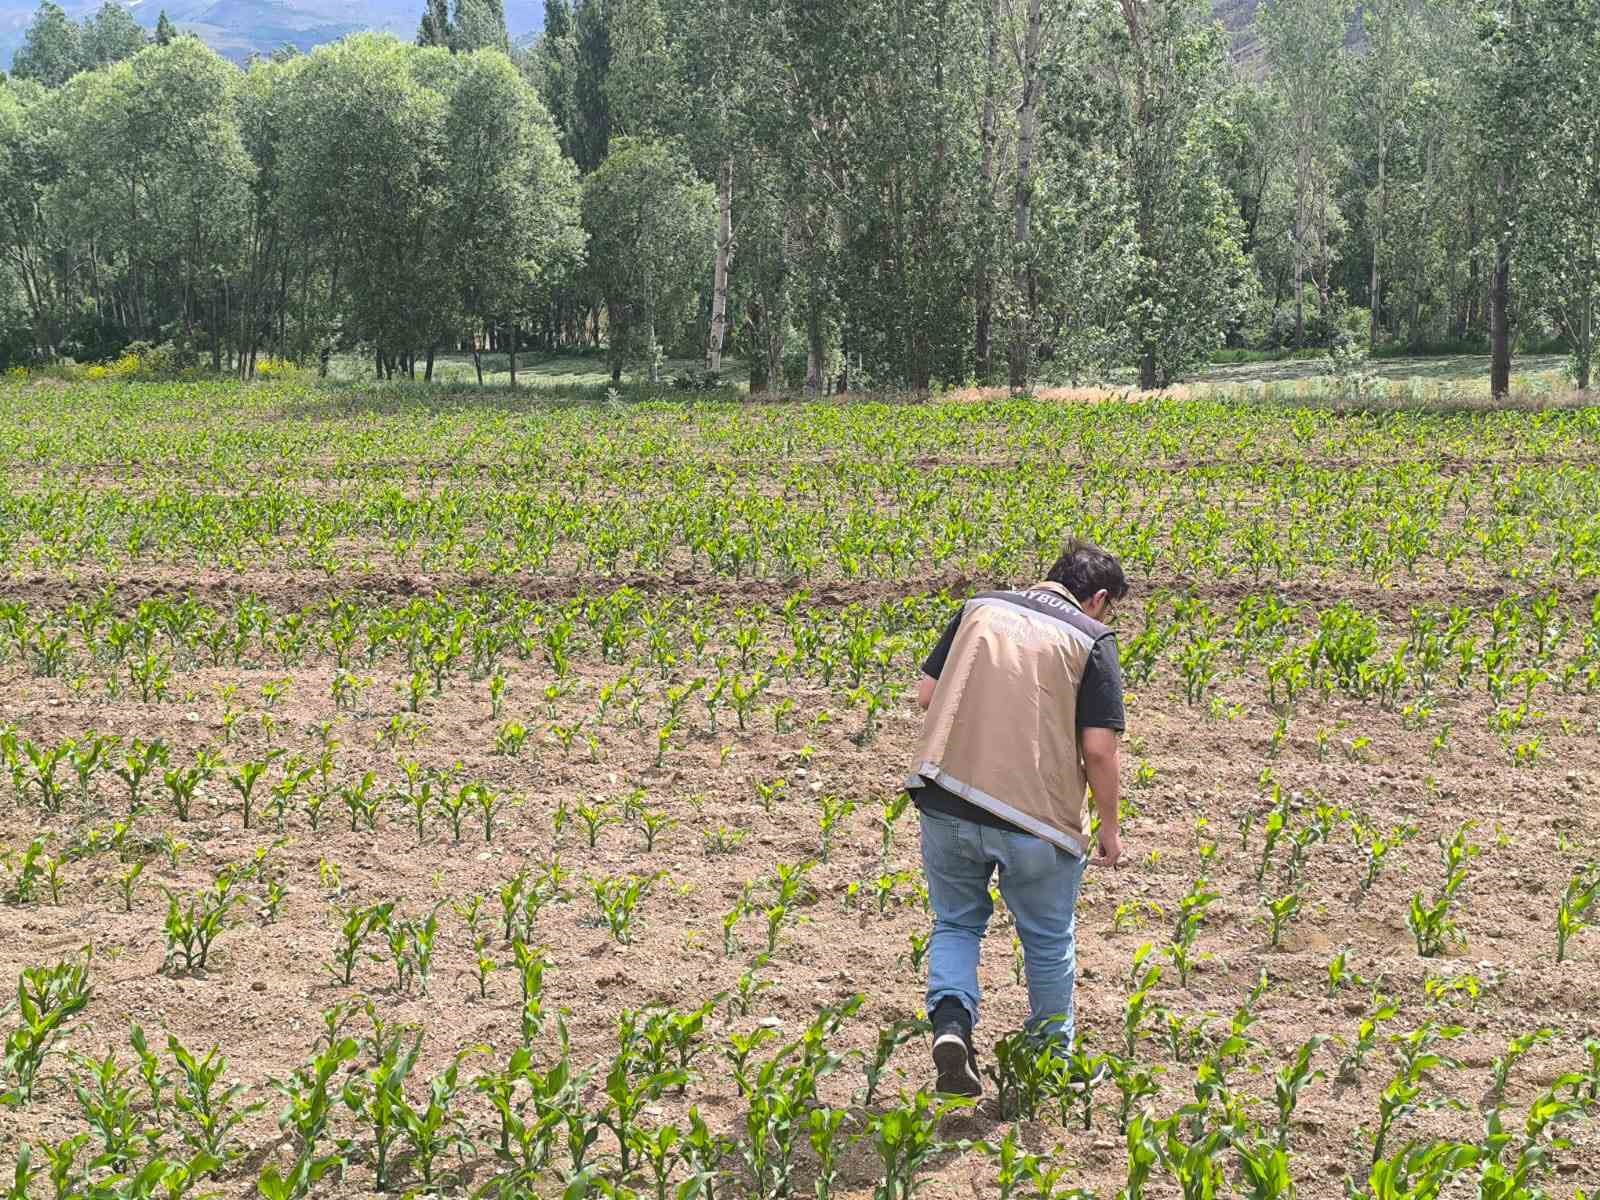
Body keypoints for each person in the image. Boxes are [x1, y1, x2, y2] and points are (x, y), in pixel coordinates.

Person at [904, 538, 1129, 1097]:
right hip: (1036, 818)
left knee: (956, 922)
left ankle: (952, 1024)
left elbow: (926, 696)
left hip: (947, 793)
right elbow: (1099, 749)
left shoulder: (980, 607)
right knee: (1048, 942)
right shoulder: (1091, 638)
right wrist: (1109, 825)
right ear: (1097, 598)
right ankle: (1052, 1061)